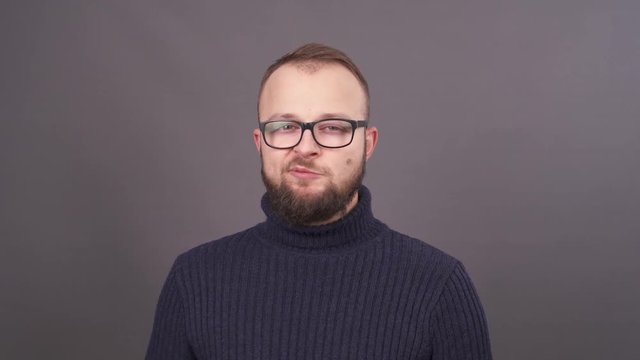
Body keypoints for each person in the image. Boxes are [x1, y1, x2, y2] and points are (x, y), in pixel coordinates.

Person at [146, 43, 492, 359]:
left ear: (367, 144)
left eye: (332, 127)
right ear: (260, 142)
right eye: (284, 126)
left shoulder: (439, 285)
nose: (305, 146)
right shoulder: (194, 279)